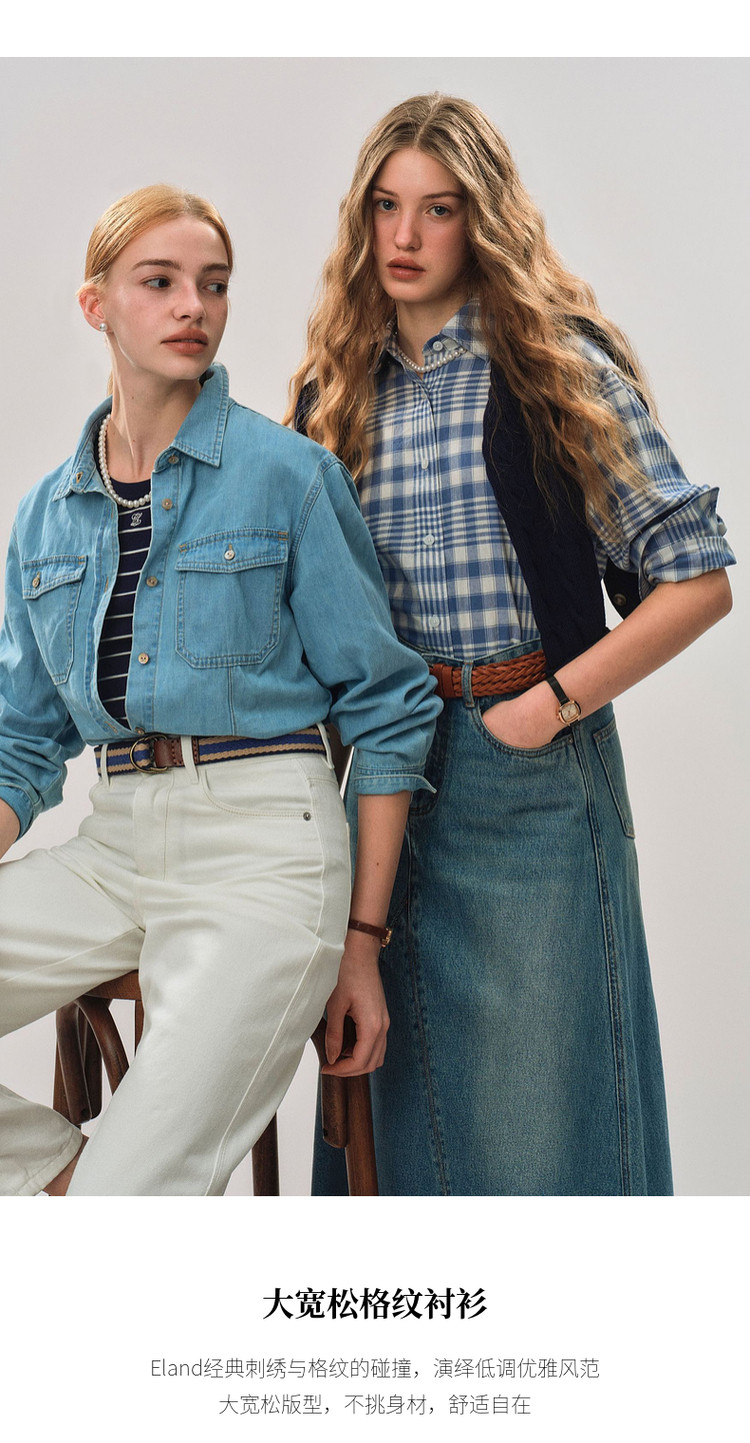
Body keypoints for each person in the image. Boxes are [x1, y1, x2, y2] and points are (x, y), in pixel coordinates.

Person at [287, 93, 736, 1196]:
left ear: (479, 220)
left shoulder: (551, 365)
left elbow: (698, 579)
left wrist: (551, 707)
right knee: (393, 1111)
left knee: (543, 1129)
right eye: (386, 206)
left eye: (438, 209)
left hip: (530, 779)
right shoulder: (331, 395)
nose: (405, 235)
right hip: (385, 785)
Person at [0, 184, 440, 1197]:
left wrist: (360, 945)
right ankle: (65, 1181)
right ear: (96, 304)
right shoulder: (46, 516)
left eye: (214, 285)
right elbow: (20, 743)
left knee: (129, 1204)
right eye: (159, 282)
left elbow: (388, 707)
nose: (192, 307)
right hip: (114, 845)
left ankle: (108, 1201)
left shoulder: (288, 476)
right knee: (108, 1200)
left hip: (266, 851)